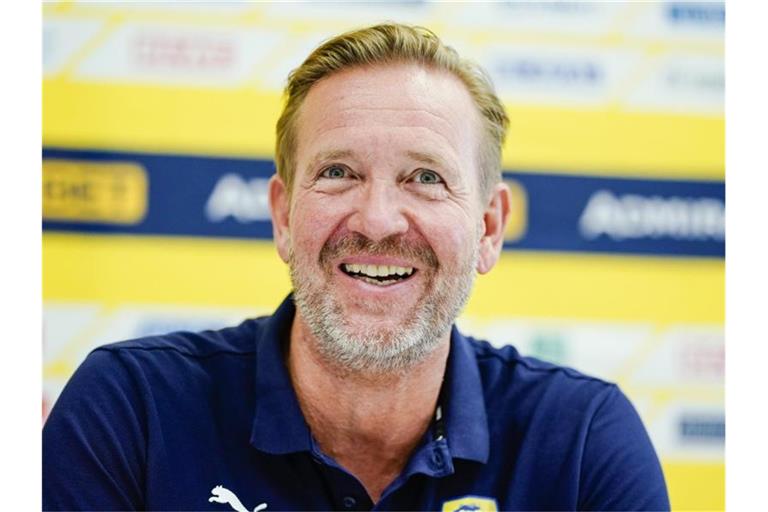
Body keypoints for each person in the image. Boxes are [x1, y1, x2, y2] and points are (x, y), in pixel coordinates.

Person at [43, 23, 669, 511]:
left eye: (425, 178)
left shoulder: (582, 441)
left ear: (487, 227)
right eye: (338, 173)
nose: (377, 220)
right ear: (284, 218)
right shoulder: (132, 411)